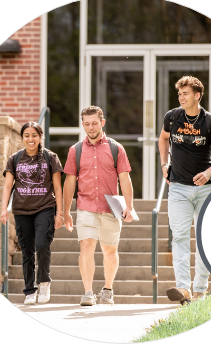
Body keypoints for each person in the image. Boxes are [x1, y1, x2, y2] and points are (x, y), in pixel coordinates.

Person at [158, 76, 211, 304]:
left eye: (185, 93)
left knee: (204, 239)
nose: (181, 97)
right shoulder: (172, 117)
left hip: (206, 190)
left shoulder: (210, 122)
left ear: (197, 95)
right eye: (179, 94)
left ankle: (200, 288)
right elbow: (163, 140)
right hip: (178, 188)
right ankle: (183, 288)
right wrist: (164, 164)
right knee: (178, 238)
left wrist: (208, 172)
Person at [63, 105, 134, 306]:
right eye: (87, 124)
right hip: (85, 205)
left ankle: (108, 289)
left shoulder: (116, 148)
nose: (91, 127)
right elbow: (69, 182)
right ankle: (87, 292)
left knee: (110, 250)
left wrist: (129, 206)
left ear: (102, 123)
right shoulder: (75, 150)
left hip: (111, 207)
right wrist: (66, 211)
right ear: (82, 124)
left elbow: (125, 179)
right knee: (86, 245)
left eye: (95, 123)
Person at [0, 121, 64, 305]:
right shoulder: (14, 159)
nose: (30, 139)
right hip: (21, 210)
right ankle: (29, 290)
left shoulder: (50, 158)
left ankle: (44, 282)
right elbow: (7, 186)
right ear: (22, 138)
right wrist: (4, 209)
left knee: (42, 245)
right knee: (27, 250)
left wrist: (59, 213)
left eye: (34, 135)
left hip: (45, 208)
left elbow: (58, 189)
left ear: (40, 137)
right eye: (27, 135)